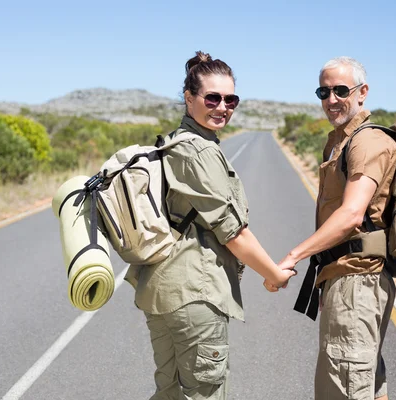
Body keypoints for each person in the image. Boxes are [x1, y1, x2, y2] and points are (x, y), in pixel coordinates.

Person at [124, 50, 296, 400]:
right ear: (189, 98)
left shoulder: (175, 143)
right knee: (205, 393)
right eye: (212, 97)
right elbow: (233, 233)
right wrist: (274, 274)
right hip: (195, 293)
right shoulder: (199, 152)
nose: (223, 107)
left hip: (161, 291)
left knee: (169, 392)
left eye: (231, 99)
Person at [266, 56, 396, 400]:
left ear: (362, 93)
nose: (331, 99)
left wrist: (294, 255)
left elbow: (352, 214)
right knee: (365, 382)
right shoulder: (341, 140)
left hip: (357, 282)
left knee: (345, 388)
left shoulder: (367, 142)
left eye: (341, 90)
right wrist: (327, 277)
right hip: (345, 278)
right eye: (323, 91)